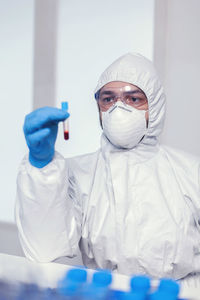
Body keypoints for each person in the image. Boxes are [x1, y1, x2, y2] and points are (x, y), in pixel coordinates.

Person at [15, 53, 200, 283]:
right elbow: (43, 248)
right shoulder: (78, 173)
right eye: (108, 99)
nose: (118, 109)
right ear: (99, 107)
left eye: (133, 99)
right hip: (106, 293)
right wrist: (42, 168)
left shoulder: (190, 172)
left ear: (155, 106)